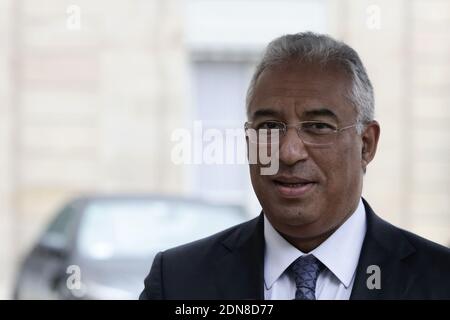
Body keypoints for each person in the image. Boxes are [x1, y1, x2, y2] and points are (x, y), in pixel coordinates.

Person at [139, 32, 450, 300]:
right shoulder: (179, 282)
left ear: (366, 144)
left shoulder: (439, 280)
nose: (288, 153)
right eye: (270, 127)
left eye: (317, 126)